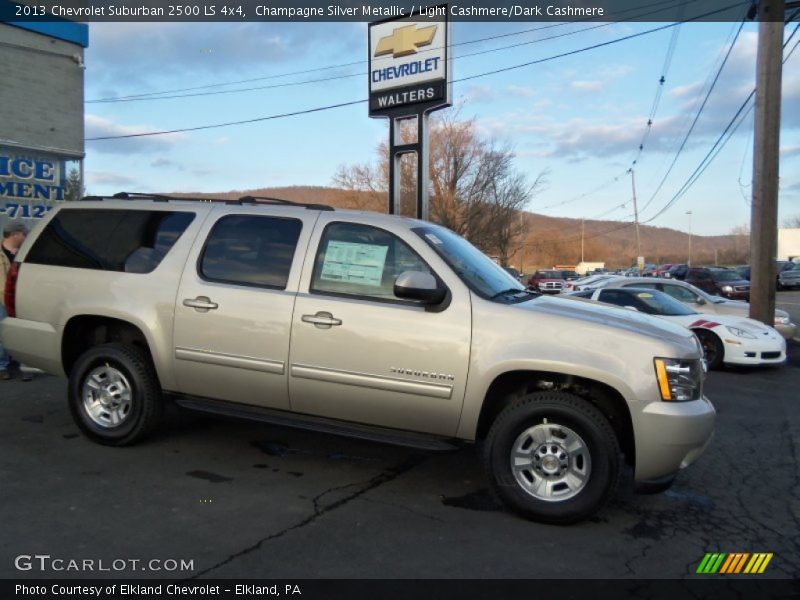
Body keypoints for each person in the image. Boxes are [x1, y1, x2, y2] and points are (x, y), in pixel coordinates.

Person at [1, 221, 32, 381]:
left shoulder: (26, 253)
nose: (26, 236)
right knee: (2, 333)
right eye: (24, 234)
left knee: (22, 332)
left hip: (21, 298)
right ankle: (2, 366)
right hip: (2, 299)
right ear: (15, 234)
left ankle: (24, 365)